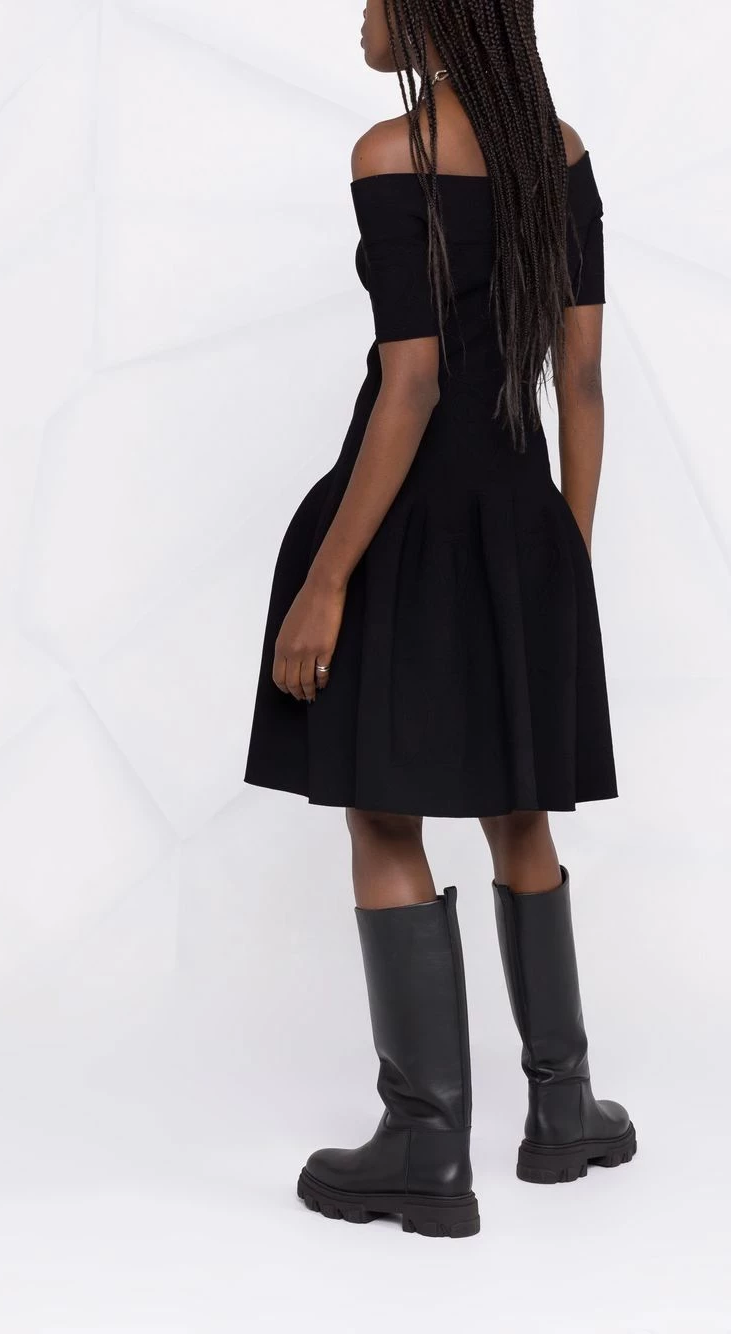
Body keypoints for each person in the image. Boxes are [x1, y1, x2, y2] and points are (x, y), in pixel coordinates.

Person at [242, 0, 635, 1239]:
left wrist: (325, 580)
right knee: (518, 805)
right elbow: (580, 377)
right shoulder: (558, 153)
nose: (357, 16)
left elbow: (408, 386)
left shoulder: (390, 154)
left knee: (382, 808)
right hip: (520, 519)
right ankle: (561, 1110)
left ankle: (423, 1142)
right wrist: (565, 555)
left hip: (406, 526)